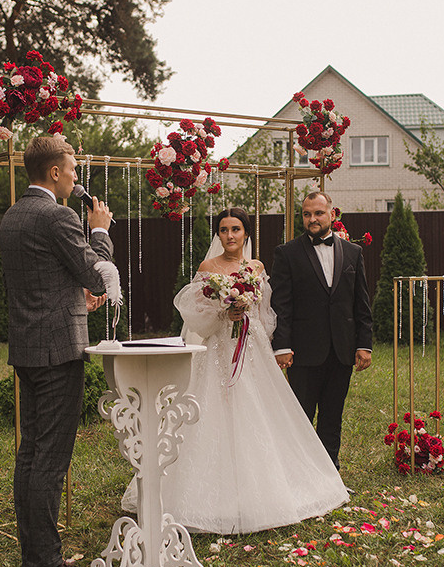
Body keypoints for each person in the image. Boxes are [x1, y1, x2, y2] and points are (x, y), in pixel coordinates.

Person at [121, 207, 348, 534]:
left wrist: (247, 312)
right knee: (211, 413)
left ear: (246, 233)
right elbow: (196, 317)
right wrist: (223, 314)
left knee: (259, 414)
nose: (230, 235)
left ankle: (268, 488)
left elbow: (266, 313)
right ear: (219, 234)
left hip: (251, 348)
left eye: (236, 229)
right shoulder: (207, 268)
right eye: (224, 230)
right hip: (218, 348)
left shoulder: (255, 268)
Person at [0, 134, 115, 567]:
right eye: (71, 169)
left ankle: (34, 558)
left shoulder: (13, 215)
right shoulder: (58, 215)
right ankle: (47, 565)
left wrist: (72, 298)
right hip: (58, 353)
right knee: (49, 460)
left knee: (29, 455)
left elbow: (44, 280)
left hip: (27, 350)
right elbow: (96, 272)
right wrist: (100, 231)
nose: (74, 176)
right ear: (53, 172)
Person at [270, 191, 373, 470]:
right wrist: (281, 346)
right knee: (301, 416)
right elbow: (281, 304)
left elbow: (360, 302)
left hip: (341, 350)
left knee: (332, 416)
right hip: (303, 352)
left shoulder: (353, 252)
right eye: (306, 214)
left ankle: (330, 475)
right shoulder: (287, 253)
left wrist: (364, 344)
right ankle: (300, 475)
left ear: (332, 215)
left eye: (318, 213)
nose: (312, 219)